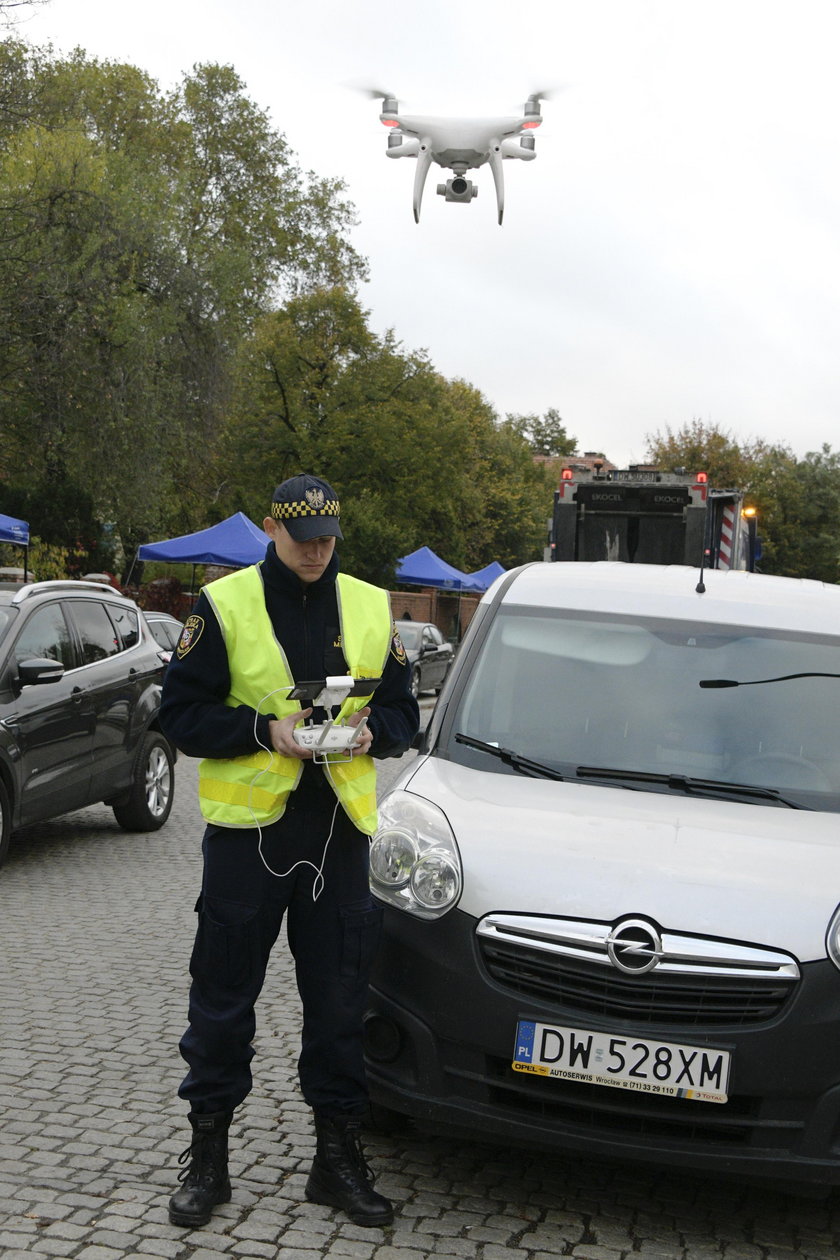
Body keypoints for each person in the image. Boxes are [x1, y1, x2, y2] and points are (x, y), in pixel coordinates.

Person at [160, 474, 419, 1231]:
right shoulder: (225, 603)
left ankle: (334, 1160)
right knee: (222, 1001)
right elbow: (180, 713)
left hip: (337, 834)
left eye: (328, 539)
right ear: (272, 529)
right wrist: (261, 730)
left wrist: (378, 733)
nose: (316, 552)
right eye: (303, 539)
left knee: (340, 1003)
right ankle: (208, 1155)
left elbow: (404, 709)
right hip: (250, 839)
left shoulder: (370, 604)